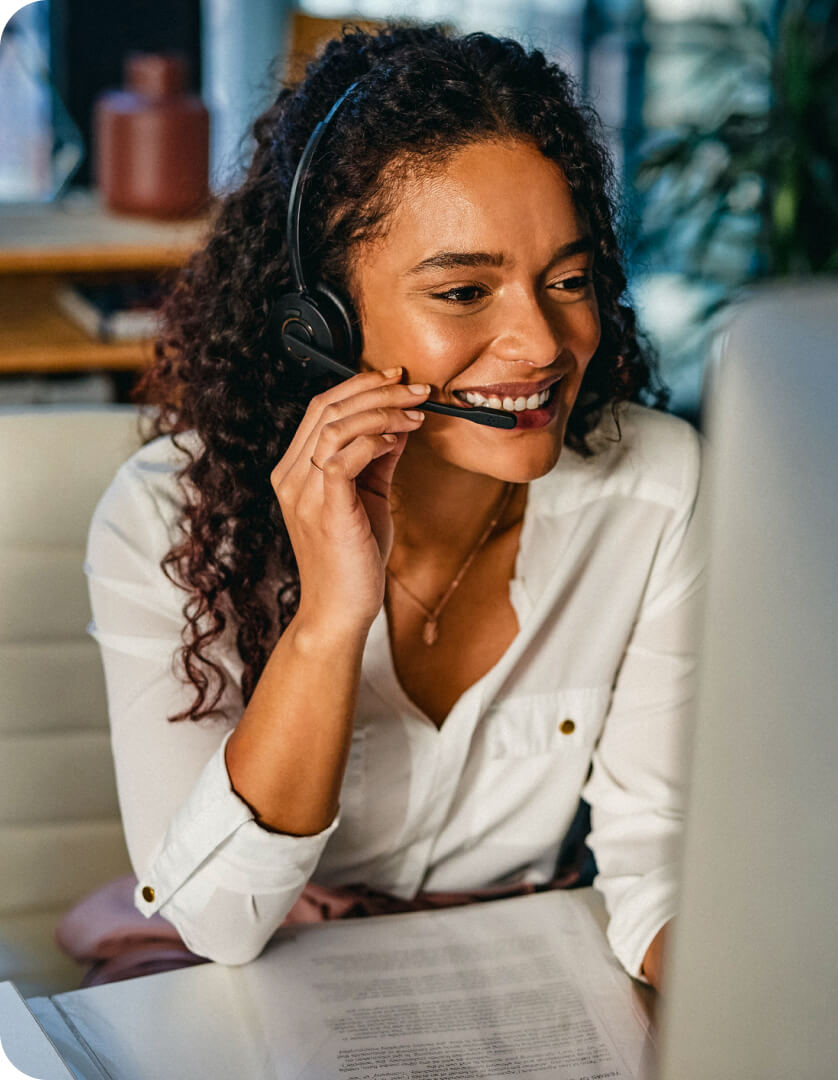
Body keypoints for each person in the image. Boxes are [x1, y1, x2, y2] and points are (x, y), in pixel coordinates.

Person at [79, 23, 703, 991]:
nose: (542, 343)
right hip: (257, 961)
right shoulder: (166, 520)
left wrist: (747, 1009)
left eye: (569, 281)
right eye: (463, 291)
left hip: (511, 963)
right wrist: (329, 620)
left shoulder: (655, 486)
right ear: (319, 321)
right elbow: (215, 920)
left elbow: (655, 855)